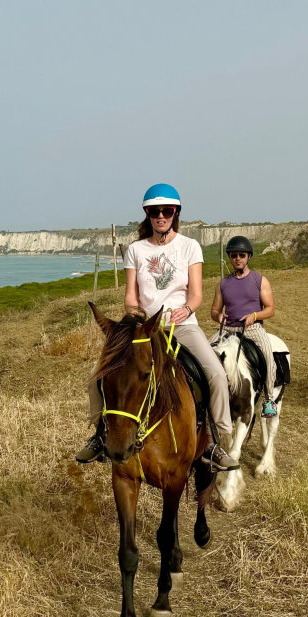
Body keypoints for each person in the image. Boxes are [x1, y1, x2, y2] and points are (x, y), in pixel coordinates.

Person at [76, 184, 238, 469]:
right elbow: (130, 297)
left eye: (166, 211)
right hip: (144, 330)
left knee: (215, 374)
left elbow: (197, 295)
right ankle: (100, 435)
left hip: (183, 325)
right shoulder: (136, 250)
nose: (160, 216)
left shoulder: (190, 246)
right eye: (154, 211)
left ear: (175, 213)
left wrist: (185, 310)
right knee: (96, 376)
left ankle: (215, 441)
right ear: (147, 215)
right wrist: (138, 317)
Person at [209, 235, 280, 417]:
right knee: (207, 353)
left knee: (267, 356)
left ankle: (269, 399)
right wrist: (220, 317)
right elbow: (214, 311)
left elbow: (270, 309)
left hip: (252, 329)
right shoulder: (223, 284)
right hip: (228, 329)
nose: (237, 258)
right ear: (230, 258)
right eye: (233, 255)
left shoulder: (259, 280)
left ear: (249, 256)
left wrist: (254, 315)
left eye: (241, 255)